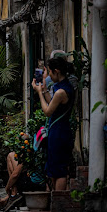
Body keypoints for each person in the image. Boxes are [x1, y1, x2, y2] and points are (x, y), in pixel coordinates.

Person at [31, 57, 75, 191]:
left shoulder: (61, 92)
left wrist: (39, 93)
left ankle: (58, 202)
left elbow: (48, 111)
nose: (49, 75)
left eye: (50, 72)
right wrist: (43, 87)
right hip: (58, 130)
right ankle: (54, 201)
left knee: (59, 170)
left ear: (56, 71)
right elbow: (53, 103)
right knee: (53, 168)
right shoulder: (63, 87)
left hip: (59, 132)